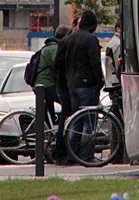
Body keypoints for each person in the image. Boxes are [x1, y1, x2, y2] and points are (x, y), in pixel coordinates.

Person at [63, 10, 105, 163]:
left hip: (72, 84)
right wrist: (99, 80)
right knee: (89, 121)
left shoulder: (69, 39)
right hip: (87, 84)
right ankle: (86, 156)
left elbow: (63, 62)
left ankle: (72, 156)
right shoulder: (91, 40)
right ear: (93, 25)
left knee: (76, 120)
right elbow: (95, 63)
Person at [53, 15, 81, 165]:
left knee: (68, 117)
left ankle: (62, 151)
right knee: (68, 118)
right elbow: (58, 64)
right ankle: (61, 151)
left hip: (65, 85)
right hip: (65, 86)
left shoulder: (67, 41)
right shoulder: (68, 42)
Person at [104, 18, 122, 88]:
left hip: (111, 80)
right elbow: (118, 67)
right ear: (118, 29)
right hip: (116, 81)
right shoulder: (118, 44)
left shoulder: (113, 41)